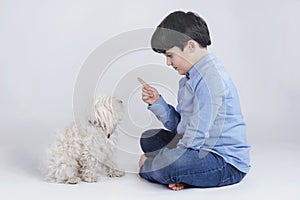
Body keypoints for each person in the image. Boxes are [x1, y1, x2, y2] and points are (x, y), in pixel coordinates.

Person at [137, 11, 250, 191]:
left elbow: (196, 134)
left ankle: (153, 168)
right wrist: (157, 102)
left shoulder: (211, 80)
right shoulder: (189, 79)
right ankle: (182, 174)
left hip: (223, 161)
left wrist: (154, 163)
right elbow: (180, 127)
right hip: (198, 147)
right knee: (149, 139)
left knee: (172, 164)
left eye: (170, 56)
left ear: (190, 46)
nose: (168, 63)